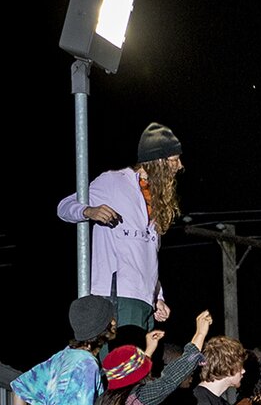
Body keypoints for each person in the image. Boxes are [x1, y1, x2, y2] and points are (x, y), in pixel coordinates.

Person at [57, 122, 184, 329]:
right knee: (121, 360)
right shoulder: (113, 182)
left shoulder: (157, 200)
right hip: (117, 295)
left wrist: (157, 296)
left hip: (145, 300)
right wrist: (89, 211)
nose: (179, 166)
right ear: (158, 161)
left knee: (142, 361)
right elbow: (64, 207)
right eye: (175, 160)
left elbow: (147, 257)